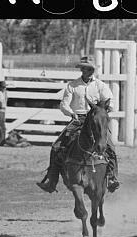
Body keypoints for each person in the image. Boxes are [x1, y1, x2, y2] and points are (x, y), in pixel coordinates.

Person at [36, 55, 120, 193]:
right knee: (56, 146)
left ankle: (112, 177)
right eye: (87, 68)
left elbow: (111, 101)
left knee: (110, 146)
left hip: (95, 120)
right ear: (82, 70)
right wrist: (71, 113)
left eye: (92, 69)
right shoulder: (72, 85)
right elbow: (64, 105)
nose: (90, 71)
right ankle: (52, 180)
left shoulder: (101, 86)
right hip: (78, 118)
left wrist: (104, 110)